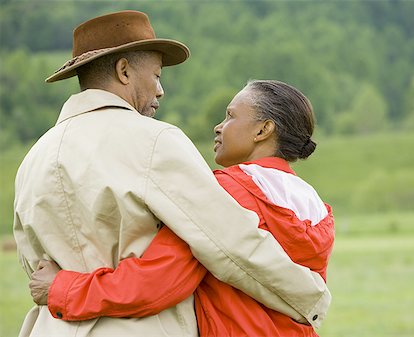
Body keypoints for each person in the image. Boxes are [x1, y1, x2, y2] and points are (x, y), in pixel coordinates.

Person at [13, 10, 330, 337]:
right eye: (157, 75)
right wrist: (310, 297)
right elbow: (226, 243)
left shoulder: (34, 157)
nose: (160, 90)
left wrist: (62, 289)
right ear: (124, 71)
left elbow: (35, 271)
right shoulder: (155, 141)